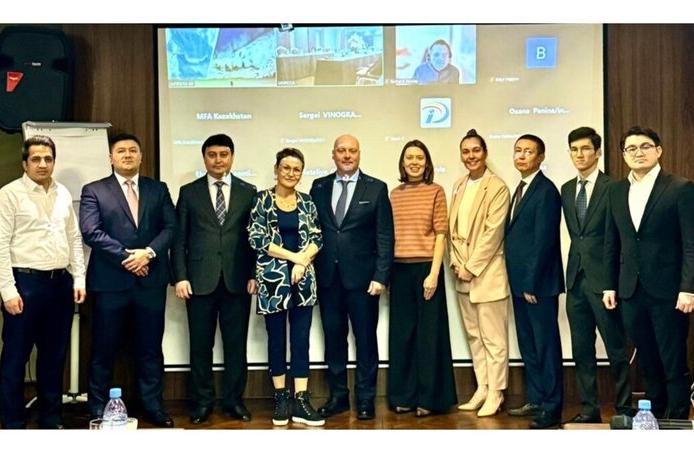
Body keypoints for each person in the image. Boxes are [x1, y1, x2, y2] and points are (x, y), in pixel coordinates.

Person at [79, 133, 176, 428]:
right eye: (121, 151)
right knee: (103, 349)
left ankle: (153, 406)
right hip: (110, 284)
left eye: (133, 150)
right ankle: (98, 407)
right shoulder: (94, 190)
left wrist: (148, 253)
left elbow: (171, 227)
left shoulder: (158, 189)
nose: (127, 155)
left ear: (141, 156)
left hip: (150, 283)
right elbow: (91, 232)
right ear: (110, 158)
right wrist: (129, 258)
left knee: (150, 349)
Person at [603, 126, 694, 420]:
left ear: (658, 150)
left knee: (672, 359)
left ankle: (677, 419)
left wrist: (688, 288)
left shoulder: (680, 188)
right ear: (623, 155)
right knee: (648, 360)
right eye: (631, 148)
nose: (638, 152)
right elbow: (611, 242)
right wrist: (609, 286)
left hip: (670, 291)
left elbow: (691, 243)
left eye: (645, 146)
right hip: (630, 290)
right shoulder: (616, 191)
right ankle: (654, 418)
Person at [0, 136, 86, 429]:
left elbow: (73, 237)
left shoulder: (63, 193)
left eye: (48, 159)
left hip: (60, 284)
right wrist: (8, 291)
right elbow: (1, 245)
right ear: (25, 163)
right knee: (15, 357)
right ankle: (13, 422)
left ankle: (51, 419)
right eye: (36, 159)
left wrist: (79, 277)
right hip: (24, 284)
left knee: (54, 357)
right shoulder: (9, 194)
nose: (42, 164)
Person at [171, 134, 257, 424]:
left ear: (232, 157)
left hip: (237, 281)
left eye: (223, 154)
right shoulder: (189, 192)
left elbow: (255, 239)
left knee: (236, 346)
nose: (218, 160)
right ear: (204, 158)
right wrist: (180, 277)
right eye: (212, 155)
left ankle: (234, 401)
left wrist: (254, 274)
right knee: (200, 346)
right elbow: (179, 239)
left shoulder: (249, 191)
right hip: (198, 281)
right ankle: (201, 403)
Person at [310, 134, 394, 420]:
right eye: (341, 151)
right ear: (333, 154)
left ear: (359, 154)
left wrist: (381, 276)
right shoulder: (319, 187)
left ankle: (366, 399)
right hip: (328, 279)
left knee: (366, 340)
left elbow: (384, 236)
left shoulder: (376, 188)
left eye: (352, 151)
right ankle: (338, 397)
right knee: (334, 339)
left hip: (364, 281)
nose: (347, 155)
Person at [248, 148, 324, 427]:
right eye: (286, 168)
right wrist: (295, 258)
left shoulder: (307, 202)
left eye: (296, 169)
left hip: (304, 280)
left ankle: (301, 400)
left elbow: (317, 237)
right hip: (273, 281)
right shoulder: (262, 200)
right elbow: (257, 238)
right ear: (276, 169)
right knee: (276, 339)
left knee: (301, 340)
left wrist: (303, 262)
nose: (291, 173)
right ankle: (281, 398)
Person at [560, 127, 632, 424]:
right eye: (574, 149)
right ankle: (590, 409)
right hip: (575, 280)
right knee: (581, 350)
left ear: (598, 152)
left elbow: (619, 237)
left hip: (604, 282)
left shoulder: (613, 187)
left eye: (586, 148)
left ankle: (624, 409)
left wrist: (613, 282)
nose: (580, 154)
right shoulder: (566, 189)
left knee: (616, 348)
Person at [388, 139, 457, 417]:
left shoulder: (436, 191)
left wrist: (434, 274)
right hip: (399, 271)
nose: (414, 162)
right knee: (402, 336)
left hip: (427, 270)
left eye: (419, 158)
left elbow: (441, 234)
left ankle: (429, 399)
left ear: (426, 163)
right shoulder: (395, 194)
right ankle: (404, 396)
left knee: (429, 337)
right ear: (402, 163)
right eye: (409, 158)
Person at [449, 129, 511, 417]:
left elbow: (492, 233)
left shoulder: (497, 187)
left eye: (476, 150)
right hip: (461, 274)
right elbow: (451, 231)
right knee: (474, 337)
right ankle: (482, 387)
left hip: (487, 275)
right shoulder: (459, 185)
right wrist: (456, 263)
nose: (471, 156)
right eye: (466, 151)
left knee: (494, 340)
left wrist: (471, 267)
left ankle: (497, 392)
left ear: (485, 153)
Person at [504, 134, 564, 429]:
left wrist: (531, 283)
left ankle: (552, 408)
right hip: (519, 283)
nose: (522, 155)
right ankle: (536, 399)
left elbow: (544, 241)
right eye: (518, 150)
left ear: (540, 158)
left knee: (546, 346)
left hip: (537, 286)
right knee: (528, 345)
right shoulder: (520, 188)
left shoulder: (546, 190)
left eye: (528, 151)